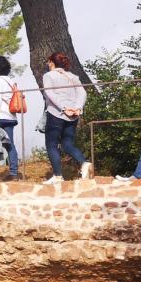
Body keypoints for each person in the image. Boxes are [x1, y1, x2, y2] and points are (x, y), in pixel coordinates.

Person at [42, 52, 93, 184]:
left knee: (52, 144)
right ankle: (84, 163)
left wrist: (64, 108)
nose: (48, 65)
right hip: (73, 115)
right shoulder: (73, 77)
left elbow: (49, 93)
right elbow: (82, 92)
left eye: (48, 62)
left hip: (56, 114)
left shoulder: (48, 76)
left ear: (51, 62)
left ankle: (58, 176)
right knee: (67, 143)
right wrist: (77, 107)